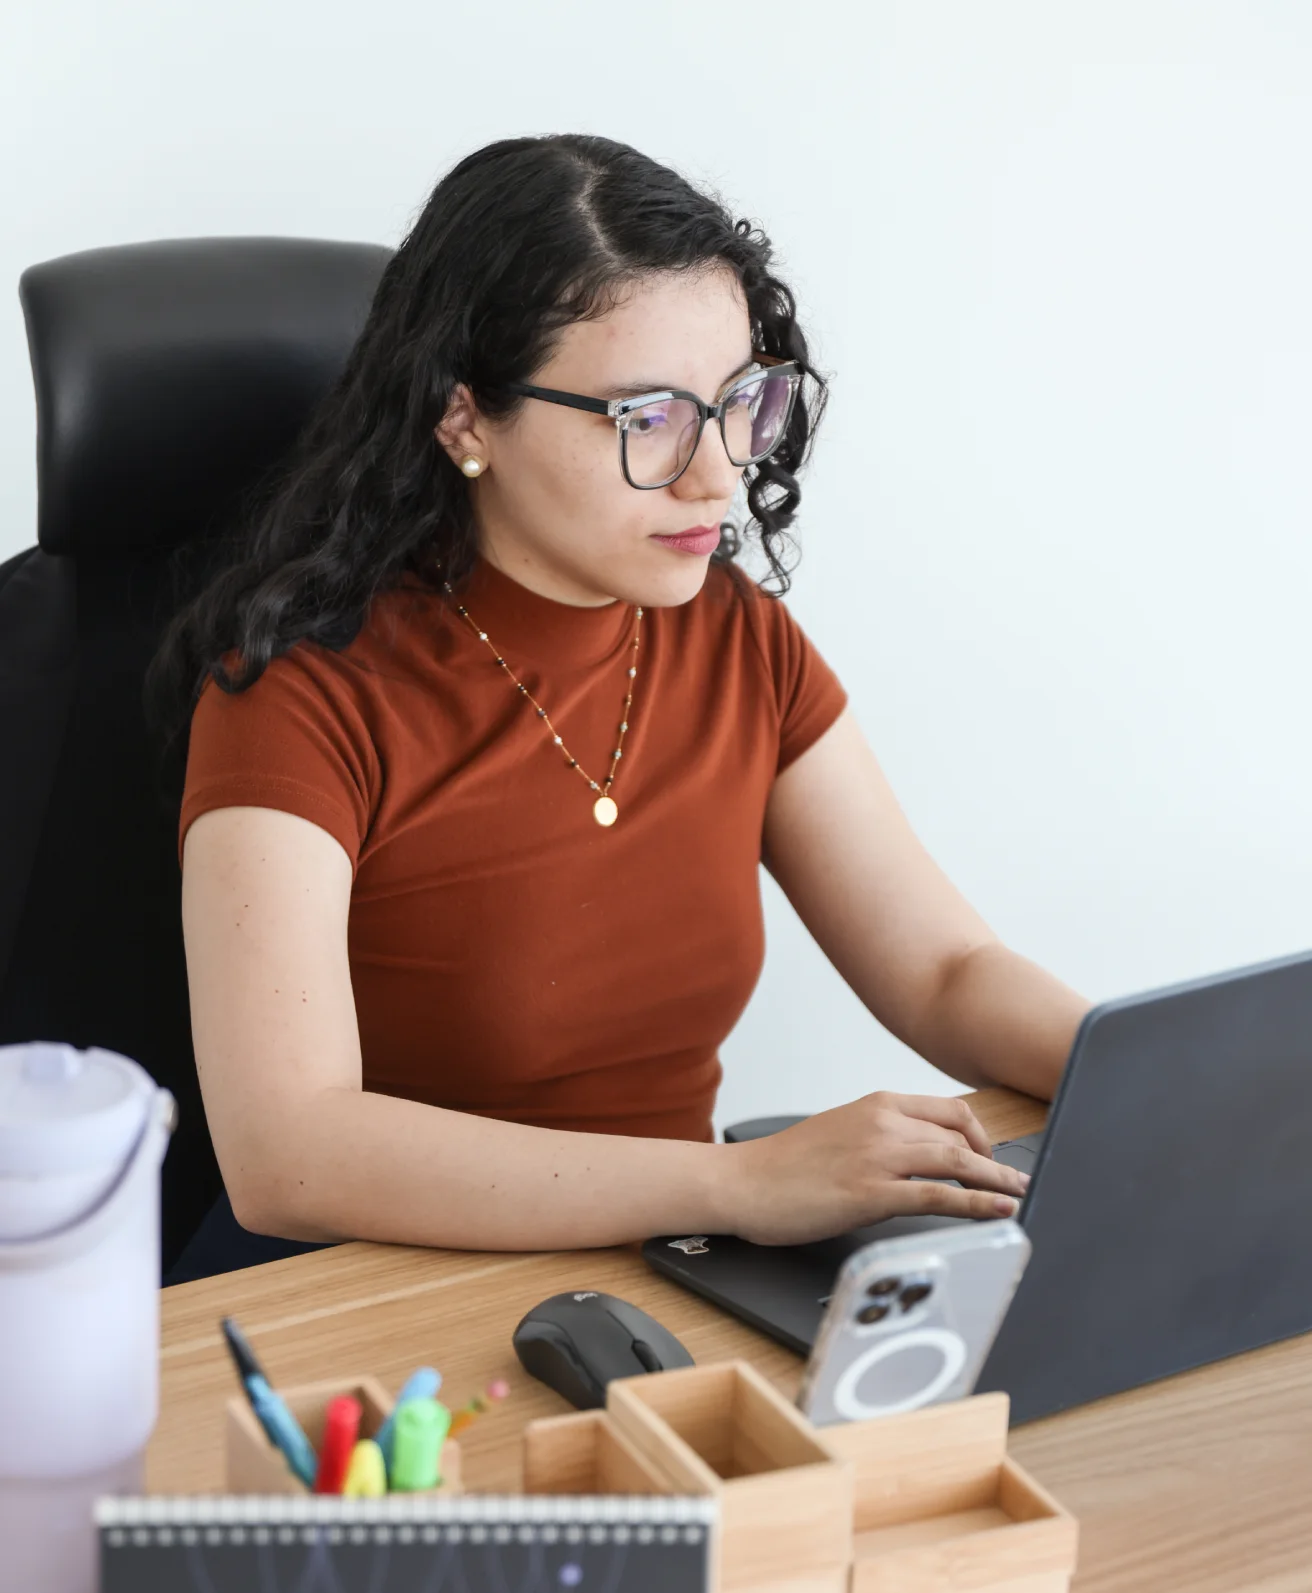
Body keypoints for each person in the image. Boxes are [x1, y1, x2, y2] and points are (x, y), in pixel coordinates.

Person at [151, 134, 1090, 1276]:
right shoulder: (300, 696)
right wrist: (738, 1183)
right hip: (368, 1292)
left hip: (660, 1261)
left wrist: (1151, 1073)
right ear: (464, 419)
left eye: (739, 403)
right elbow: (289, 1153)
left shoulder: (736, 639)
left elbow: (943, 970)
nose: (717, 474)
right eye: (647, 418)